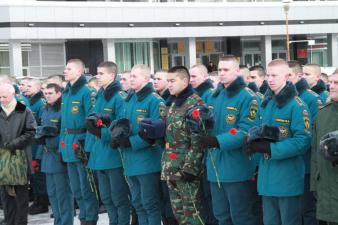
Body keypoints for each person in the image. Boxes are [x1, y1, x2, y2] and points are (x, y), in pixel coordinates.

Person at [246, 59, 311, 225]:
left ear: (287, 76)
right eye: (268, 75)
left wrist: (270, 148)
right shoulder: (266, 103)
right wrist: (252, 144)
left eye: (274, 75)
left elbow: (302, 141)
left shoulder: (297, 105)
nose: (270, 79)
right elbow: (259, 129)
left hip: (287, 177)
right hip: (267, 177)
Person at [203, 55, 259, 225]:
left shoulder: (248, 97)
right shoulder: (213, 96)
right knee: (221, 216)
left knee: (241, 216)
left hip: (237, 167)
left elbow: (246, 130)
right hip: (215, 167)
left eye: (226, 70)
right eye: (219, 69)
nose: (221, 73)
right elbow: (205, 123)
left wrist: (217, 141)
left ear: (237, 71)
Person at [85, 61, 130, 225]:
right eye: (97, 73)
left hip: (113, 154)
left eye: (101, 73)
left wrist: (101, 132)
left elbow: (121, 127)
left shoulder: (119, 97)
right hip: (99, 154)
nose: (98, 76)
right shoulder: (100, 95)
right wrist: (88, 149)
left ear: (112, 75)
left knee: (118, 197)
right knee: (106, 198)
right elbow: (93, 123)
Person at [161, 66, 205, 225]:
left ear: (185, 81)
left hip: (186, 168)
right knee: (178, 214)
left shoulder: (195, 103)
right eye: (168, 81)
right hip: (171, 166)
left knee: (192, 213)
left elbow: (198, 139)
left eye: (173, 81)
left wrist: (190, 168)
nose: (169, 84)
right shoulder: (172, 103)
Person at [59, 59, 99, 225]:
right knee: (76, 188)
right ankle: (83, 217)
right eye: (65, 68)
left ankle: (90, 218)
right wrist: (62, 147)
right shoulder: (66, 92)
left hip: (82, 142)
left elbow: (92, 122)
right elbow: (63, 122)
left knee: (86, 187)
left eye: (69, 69)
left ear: (79, 71)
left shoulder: (87, 92)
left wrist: (88, 148)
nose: (65, 71)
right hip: (68, 143)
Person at [288, 60, 321, 225]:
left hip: (305, 164)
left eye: (289, 75)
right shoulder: (281, 98)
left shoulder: (311, 98)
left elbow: (312, 134)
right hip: (286, 164)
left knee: (306, 209)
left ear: (297, 76)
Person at [37, 83, 74, 225]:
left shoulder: (63, 110)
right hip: (47, 156)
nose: (47, 96)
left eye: (50, 93)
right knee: (52, 194)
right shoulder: (46, 109)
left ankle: (65, 222)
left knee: (63, 194)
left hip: (58, 155)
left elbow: (65, 134)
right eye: (45, 93)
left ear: (59, 93)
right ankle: (58, 221)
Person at [0, 83, 36, 225]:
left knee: (21, 194)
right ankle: (9, 221)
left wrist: (14, 143)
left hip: (19, 157)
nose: (1, 99)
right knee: (5, 194)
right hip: (2, 157)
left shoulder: (24, 110)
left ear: (13, 95)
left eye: (4, 96)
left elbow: (31, 132)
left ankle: (21, 222)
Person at [189, 64, 217, 225]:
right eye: (190, 77)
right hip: (197, 156)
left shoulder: (207, 96)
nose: (191, 80)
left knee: (210, 200)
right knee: (202, 200)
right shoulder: (193, 96)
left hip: (206, 155)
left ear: (205, 77)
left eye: (195, 77)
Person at [310, 72, 338, 225]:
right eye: (331, 82)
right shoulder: (323, 114)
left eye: (337, 83)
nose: (331, 86)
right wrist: (315, 184)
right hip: (326, 188)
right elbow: (315, 152)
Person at [25, 78, 49, 215]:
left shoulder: (40, 103)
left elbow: (41, 125)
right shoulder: (28, 101)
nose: (27, 88)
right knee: (33, 176)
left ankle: (42, 203)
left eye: (30, 86)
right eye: (26, 85)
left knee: (39, 176)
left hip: (37, 145)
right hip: (30, 145)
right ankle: (36, 200)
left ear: (38, 88)